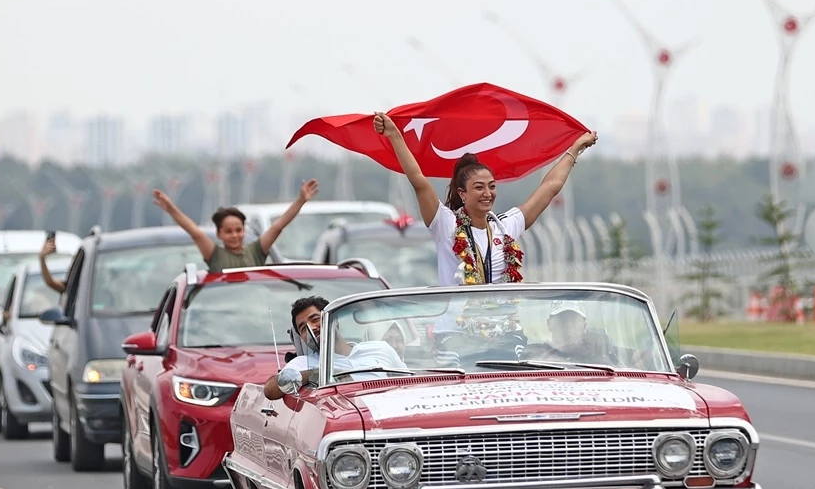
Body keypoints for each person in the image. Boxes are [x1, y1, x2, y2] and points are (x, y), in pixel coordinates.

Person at [373, 112, 597, 286]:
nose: (487, 193)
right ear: (462, 194)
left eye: (491, 186)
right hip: (457, 332)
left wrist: (575, 149)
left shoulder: (505, 226)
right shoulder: (445, 224)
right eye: (479, 188)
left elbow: (550, 188)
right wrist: (394, 135)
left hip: (503, 329)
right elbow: (418, 181)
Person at [151, 179, 319, 271]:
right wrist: (171, 208)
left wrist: (300, 200)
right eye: (228, 231)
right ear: (219, 234)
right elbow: (195, 232)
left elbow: (278, 226)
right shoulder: (214, 254)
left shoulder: (256, 251)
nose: (234, 235)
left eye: (238, 230)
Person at [263, 296, 405, 400]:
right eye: (303, 328)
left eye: (315, 319)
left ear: (335, 321)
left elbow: (409, 384)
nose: (312, 328)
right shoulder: (304, 363)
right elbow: (270, 390)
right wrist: (318, 374)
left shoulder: (380, 348)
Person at [522, 301, 618, 364]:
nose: (568, 325)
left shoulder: (597, 352)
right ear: (549, 324)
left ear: (584, 326)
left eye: (574, 320)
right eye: (562, 319)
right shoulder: (533, 353)